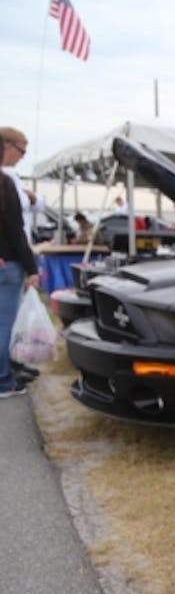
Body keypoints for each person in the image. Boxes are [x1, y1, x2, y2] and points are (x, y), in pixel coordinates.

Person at [0, 164, 40, 398]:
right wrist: (31, 268)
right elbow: (16, 230)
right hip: (8, 264)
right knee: (4, 325)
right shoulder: (4, 183)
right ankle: (3, 381)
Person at [0, 126, 47, 244]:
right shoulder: (6, 176)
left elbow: (40, 204)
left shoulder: (13, 176)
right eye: (21, 151)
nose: (22, 157)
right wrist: (29, 197)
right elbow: (17, 203)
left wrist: (32, 197)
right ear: (7, 145)